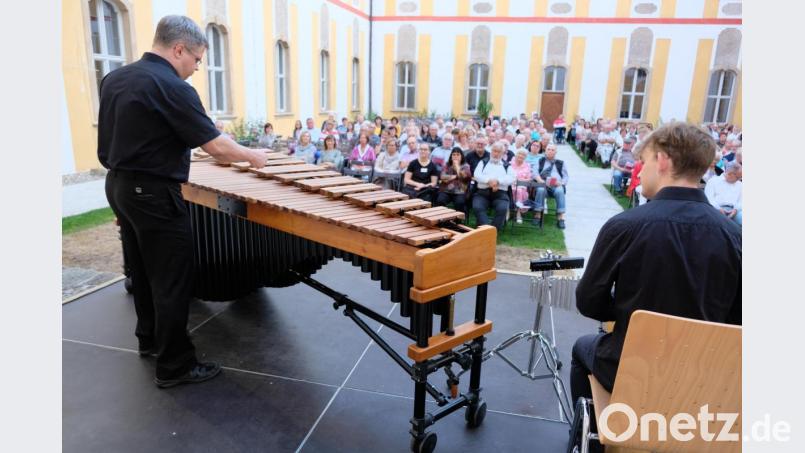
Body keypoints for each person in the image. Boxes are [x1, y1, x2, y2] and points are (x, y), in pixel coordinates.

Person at [97, 15, 269, 388]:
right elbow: (217, 147)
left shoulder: (115, 78)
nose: (195, 69)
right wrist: (255, 157)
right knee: (171, 279)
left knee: (141, 271)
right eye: (196, 60)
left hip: (119, 186)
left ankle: (149, 340)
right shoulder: (172, 86)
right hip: (154, 194)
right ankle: (175, 365)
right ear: (178, 49)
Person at [570, 123, 742, 448]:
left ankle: (591, 440)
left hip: (631, 371)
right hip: (705, 379)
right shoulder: (735, 236)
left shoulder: (625, 226)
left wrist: (624, 311)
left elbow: (588, 302)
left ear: (662, 161)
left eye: (644, 160)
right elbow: (739, 318)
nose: (641, 170)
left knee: (583, 348)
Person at [472, 141, 515, 231]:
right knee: (477, 207)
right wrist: (489, 181)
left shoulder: (507, 165)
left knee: (502, 209)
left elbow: (512, 178)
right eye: (494, 151)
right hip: (482, 193)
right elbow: (476, 175)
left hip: (500, 194)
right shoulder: (483, 162)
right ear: (491, 151)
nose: (496, 153)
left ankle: (493, 231)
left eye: (498, 152)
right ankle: (488, 230)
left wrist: (498, 181)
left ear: (503, 153)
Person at [528, 143, 569, 229]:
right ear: (545, 151)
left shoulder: (561, 163)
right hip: (543, 183)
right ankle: (538, 214)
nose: (550, 151)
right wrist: (540, 181)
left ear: (556, 152)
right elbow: (535, 173)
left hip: (556, 185)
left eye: (552, 150)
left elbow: (566, 177)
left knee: (560, 190)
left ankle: (560, 216)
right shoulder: (540, 160)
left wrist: (561, 183)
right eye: (548, 149)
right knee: (540, 190)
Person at [705, 161, 743, 226]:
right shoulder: (713, 181)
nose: (739, 179)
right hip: (715, 210)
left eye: (740, 178)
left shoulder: (740, 185)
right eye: (738, 177)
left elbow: (742, 200)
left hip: (735, 211)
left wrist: (735, 210)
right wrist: (718, 209)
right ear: (730, 173)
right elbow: (708, 198)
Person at [435, 147, 472, 213]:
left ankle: (457, 221)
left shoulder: (466, 166)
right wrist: (456, 176)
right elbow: (442, 177)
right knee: (440, 200)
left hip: (460, 191)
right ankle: (442, 220)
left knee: (459, 203)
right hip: (446, 190)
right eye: (454, 154)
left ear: (461, 156)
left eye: (458, 155)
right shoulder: (447, 165)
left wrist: (457, 166)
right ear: (451, 156)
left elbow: (465, 177)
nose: (455, 156)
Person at [510, 149, 533, 224]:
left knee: (519, 191)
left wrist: (519, 181)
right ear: (516, 155)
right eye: (519, 154)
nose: (521, 156)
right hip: (510, 184)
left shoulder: (527, 165)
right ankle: (507, 211)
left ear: (525, 157)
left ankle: (518, 213)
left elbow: (529, 179)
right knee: (510, 190)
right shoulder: (510, 164)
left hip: (522, 185)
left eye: (523, 155)